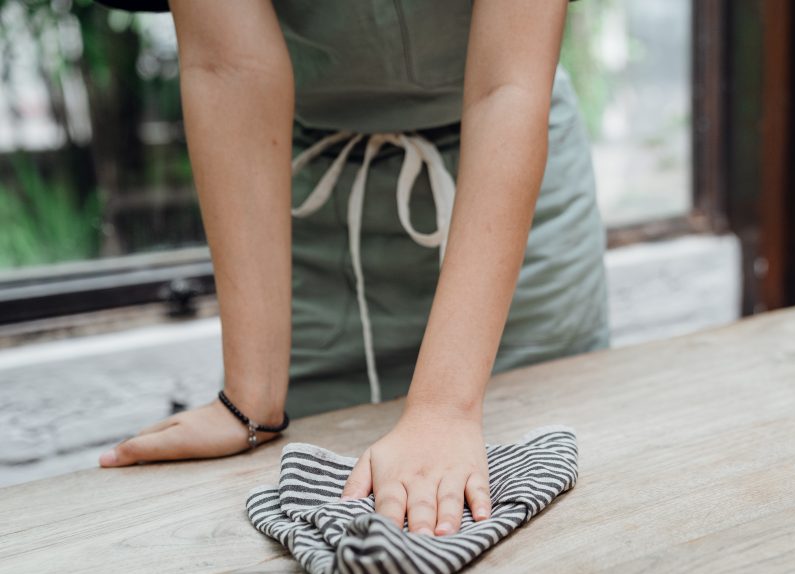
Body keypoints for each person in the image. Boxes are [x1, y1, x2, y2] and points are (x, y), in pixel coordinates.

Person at [94, 0, 609, 539]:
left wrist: (443, 410)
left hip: (507, 196)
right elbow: (231, 68)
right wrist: (251, 403)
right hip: (308, 207)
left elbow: (506, 87)